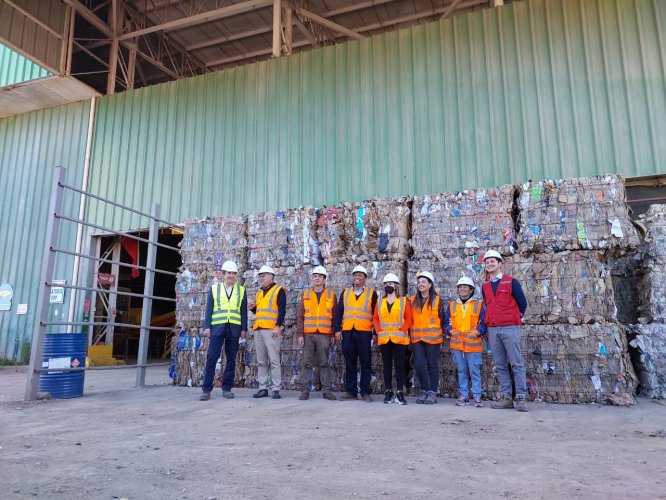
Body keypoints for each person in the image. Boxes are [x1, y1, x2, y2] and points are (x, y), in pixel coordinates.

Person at [481, 250, 529, 412]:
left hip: (510, 328)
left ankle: (521, 397)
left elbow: (522, 304)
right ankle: (507, 397)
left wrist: (512, 317)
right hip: (493, 329)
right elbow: (487, 306)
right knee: (500, 365)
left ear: (500, 264)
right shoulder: (485, 286)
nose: (490, 264)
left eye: (493, 261)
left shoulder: (511, 282)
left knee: (516, 363)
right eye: (487, 262)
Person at [200, 260, 247, 401]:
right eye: (229, 273)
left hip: (234, 328)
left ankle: (227, 388)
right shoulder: (215, 289)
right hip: (217, 328)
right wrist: (207, 327)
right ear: (223, 274)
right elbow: (209, 309)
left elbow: (243, 311)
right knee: (212, 357)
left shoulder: (241, 290)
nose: (231, 276)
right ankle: (206, 389)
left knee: (231, 359)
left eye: (233, 273)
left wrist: (244, 328)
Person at [333, 265, 378, 402]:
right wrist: (337, 330)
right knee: (350, 362)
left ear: (365, 278)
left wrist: (375, 332)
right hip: (348, 332)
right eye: (355, 275)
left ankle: (365, 392)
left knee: (365, 363)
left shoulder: (371, 293)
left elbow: (376, 315)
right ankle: (351, 391)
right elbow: (339, 312)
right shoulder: (345, 292)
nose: (357, 277)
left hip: (364, 333)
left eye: (360, 275)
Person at [444, 276, 487, 407]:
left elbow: (484, 322)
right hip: (457, 344)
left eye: (465, 287)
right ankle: (464, 395)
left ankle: (477, 396)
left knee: (474, 370)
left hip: (472, 344)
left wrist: (479, 331)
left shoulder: (479, 305)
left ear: (471, 290)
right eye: (460, 287)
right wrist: (449, 330)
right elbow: (446, 322)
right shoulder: (452, 305)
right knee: (461, 371)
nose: (462, 289)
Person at [297, 265, 338, 401]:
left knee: (324, 363)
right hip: (308, 334)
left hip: (324, 334)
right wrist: (300, 334)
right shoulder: (306, 294)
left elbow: (335, 316)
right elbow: (300, 316)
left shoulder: (331, 295)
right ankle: (305, 390)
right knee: (307, 363)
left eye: (320, 276)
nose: (317, 278)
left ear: (324, 279)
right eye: (315, 276)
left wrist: (333, 334)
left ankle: (326, 390)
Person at [373, 273, 412, 404]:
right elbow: (375, 318)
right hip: (384, 339)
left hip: (399, 340)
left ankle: (400, 392)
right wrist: (378, 331)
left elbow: (408, 318)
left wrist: (403, 330)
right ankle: (388, 391)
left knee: (400, 366)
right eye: (386, 284)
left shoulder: (403, 301)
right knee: (387, 366)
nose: (388, 285)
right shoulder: (380, 302)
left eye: (390, 283)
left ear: (396, 286)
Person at [249, 265, 287, 400]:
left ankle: (276, 388)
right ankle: (262, 388)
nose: (261, 278)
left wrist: (278, 326)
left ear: (271, 276)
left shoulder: (279, 290)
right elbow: (260, 312)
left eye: (263, 275)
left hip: (272, 330)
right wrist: (253, 309)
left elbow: (282, 310)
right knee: (261, 361)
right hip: (258, 329)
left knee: (274, 360)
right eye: (259, 276)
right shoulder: (259, 293)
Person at [409, 270, 445, 405]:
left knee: (432, 365)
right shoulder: (412, 300)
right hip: (417, 339)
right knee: (418, 364)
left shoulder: (437, 300)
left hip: (433, 339)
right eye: (419, 282)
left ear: (430, 284)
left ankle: (432, 392)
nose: (420, 284)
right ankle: (424, 389)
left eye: (424, 282)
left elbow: (442, 319)